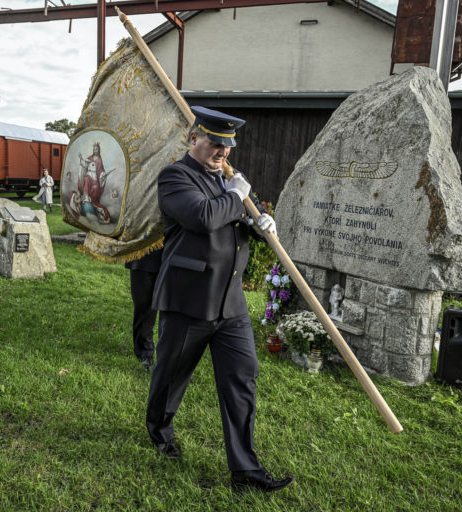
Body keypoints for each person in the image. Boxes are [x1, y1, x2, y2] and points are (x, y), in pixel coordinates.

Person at [146, 106, 294, 492]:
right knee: (172, 376)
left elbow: (238, 220)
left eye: (227, 146)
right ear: (193, 138)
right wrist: (237, 197)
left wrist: (260, 223)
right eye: (215, 143)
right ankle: (160, 430)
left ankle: (245, 469)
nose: (222, 152)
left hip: (231, 302)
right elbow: (203, 217)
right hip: (189, 298)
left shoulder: (227, 179)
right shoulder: (175, 177)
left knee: (242, 377)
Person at [125, 248, 163, 371]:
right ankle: (144, 352)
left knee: (175, 311)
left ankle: (172, 358)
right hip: (144, 253)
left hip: (177, 255)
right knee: (144, 305)